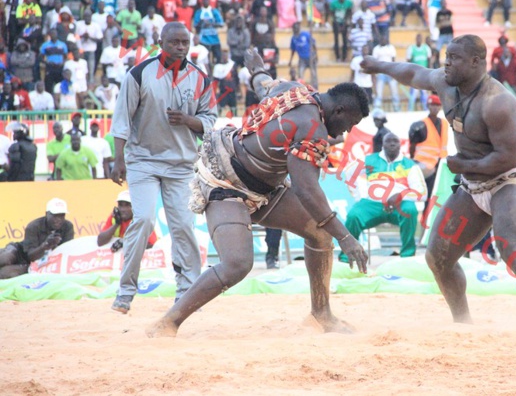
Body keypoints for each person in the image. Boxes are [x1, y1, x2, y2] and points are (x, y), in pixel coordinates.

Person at [146, 47, 369, 338]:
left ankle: (321, 315)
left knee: (319, 232)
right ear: (338, 111)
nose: (347, 131)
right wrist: (347, 238)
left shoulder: (295, 90)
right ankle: (168, 322)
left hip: (265, 185)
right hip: (225, 183)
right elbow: (306, 190)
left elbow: (262, 83)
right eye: (350, 123)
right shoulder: (312, 130)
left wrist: (256, 67)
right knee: (237, 264)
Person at [360, 34, 516, 332]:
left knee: (511, 247)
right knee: (438, 257)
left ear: (477, 62)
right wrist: (379, 66)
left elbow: (507, 157)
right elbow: (413, 72)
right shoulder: (445, 83)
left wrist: (464, 164)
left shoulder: (498, 103)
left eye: (455, 58)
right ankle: (463, 322)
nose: (447, 63)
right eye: (446, 57)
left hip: (511, 181)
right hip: (472, 185)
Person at [110, 22, 218, 315]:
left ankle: (187, 292)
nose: (181, 47)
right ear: (161, 42)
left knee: (183, 227)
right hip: (143, 161)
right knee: (142, 219)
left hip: (182, 164)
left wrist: (188, 120)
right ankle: (125, 291)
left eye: (185, 42)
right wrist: (118, 159)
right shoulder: (139, 73)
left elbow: (210, 120)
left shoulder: (200, 78)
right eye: (175, 42)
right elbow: (121, 118)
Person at [340, 133, 427, 262]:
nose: (392, 144)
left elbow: (422, 193)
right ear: (382, 144)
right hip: (373, 205)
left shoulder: (410, 165)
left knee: (410, 210)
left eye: (395, 141)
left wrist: (401, 195)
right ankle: (347, 257)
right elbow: (349, 173)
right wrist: (358, 197)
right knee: (354, 215)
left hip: (399, 206)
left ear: (400, 145)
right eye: (388, 141)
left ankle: (408, 256)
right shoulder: (369, 160)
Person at [0, 198, 74, 279]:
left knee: (4, 273)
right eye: (55, 215)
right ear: (47, 214)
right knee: (5, 258)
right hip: (20, 252)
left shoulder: (68, 227)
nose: (58, 219)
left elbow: (66, 254)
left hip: (35, 265)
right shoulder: (34, 226)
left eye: (62, 215)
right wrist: (45, 246)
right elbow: (30, 256)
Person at [410, 94, 448, 208]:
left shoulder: (444, 123)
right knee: (415, 193)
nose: (435, 108)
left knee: (432, 195)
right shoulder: (421, 124)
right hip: (421, 166)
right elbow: (412, 146)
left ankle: (426, 220)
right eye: (432, 105)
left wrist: (440, 164)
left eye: (437, 105)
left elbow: (443, 146)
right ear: (428, 106)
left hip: (437, 165)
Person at [372, 36, 399, 111]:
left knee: (394, 93)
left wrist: (394, 73)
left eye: (384, 39)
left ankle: (396, 110)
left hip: (390, 72)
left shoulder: (391, 48)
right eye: (382, 39)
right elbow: (374, 62)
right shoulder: (376, 49)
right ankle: (376, 110)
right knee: (379, 94)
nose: (383, 40)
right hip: (380, 73)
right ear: (379, 40)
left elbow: (394, 61)